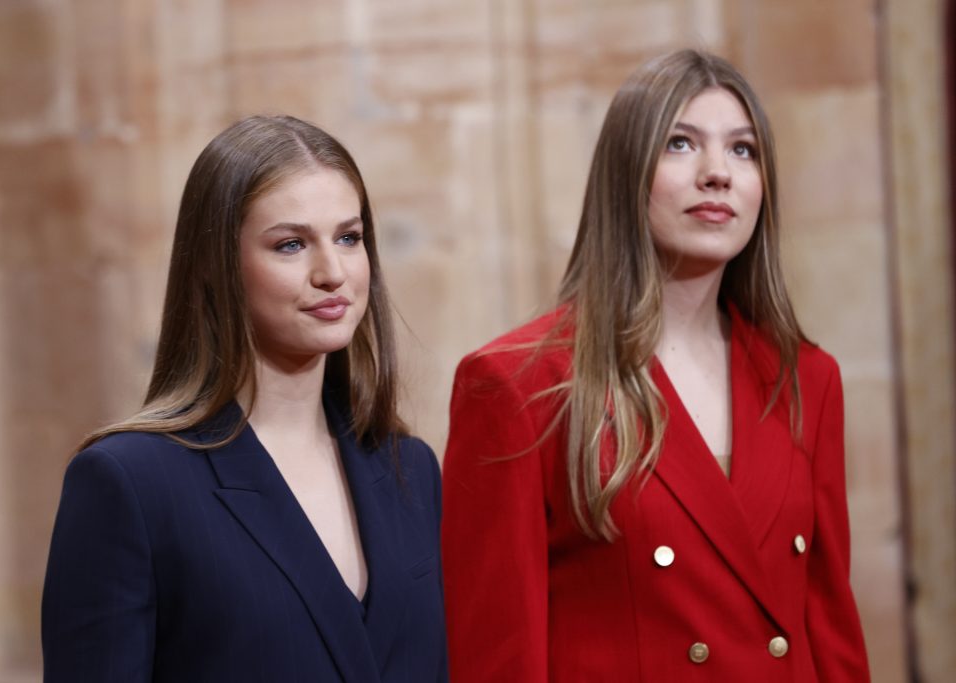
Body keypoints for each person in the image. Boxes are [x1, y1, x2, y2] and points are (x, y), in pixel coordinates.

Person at [441, 49, 870, 682]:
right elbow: (497, 657)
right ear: (626, 174)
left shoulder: (807, 378)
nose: (717, 173)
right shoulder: (518, 384)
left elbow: (830, 633)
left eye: (743, 150)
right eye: (680, 144)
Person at [42, 115, 447, 682]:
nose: (332, 272)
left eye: (349, 238)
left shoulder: (410, 468)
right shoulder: (129, 483)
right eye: (290, 244)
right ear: (214, 267)